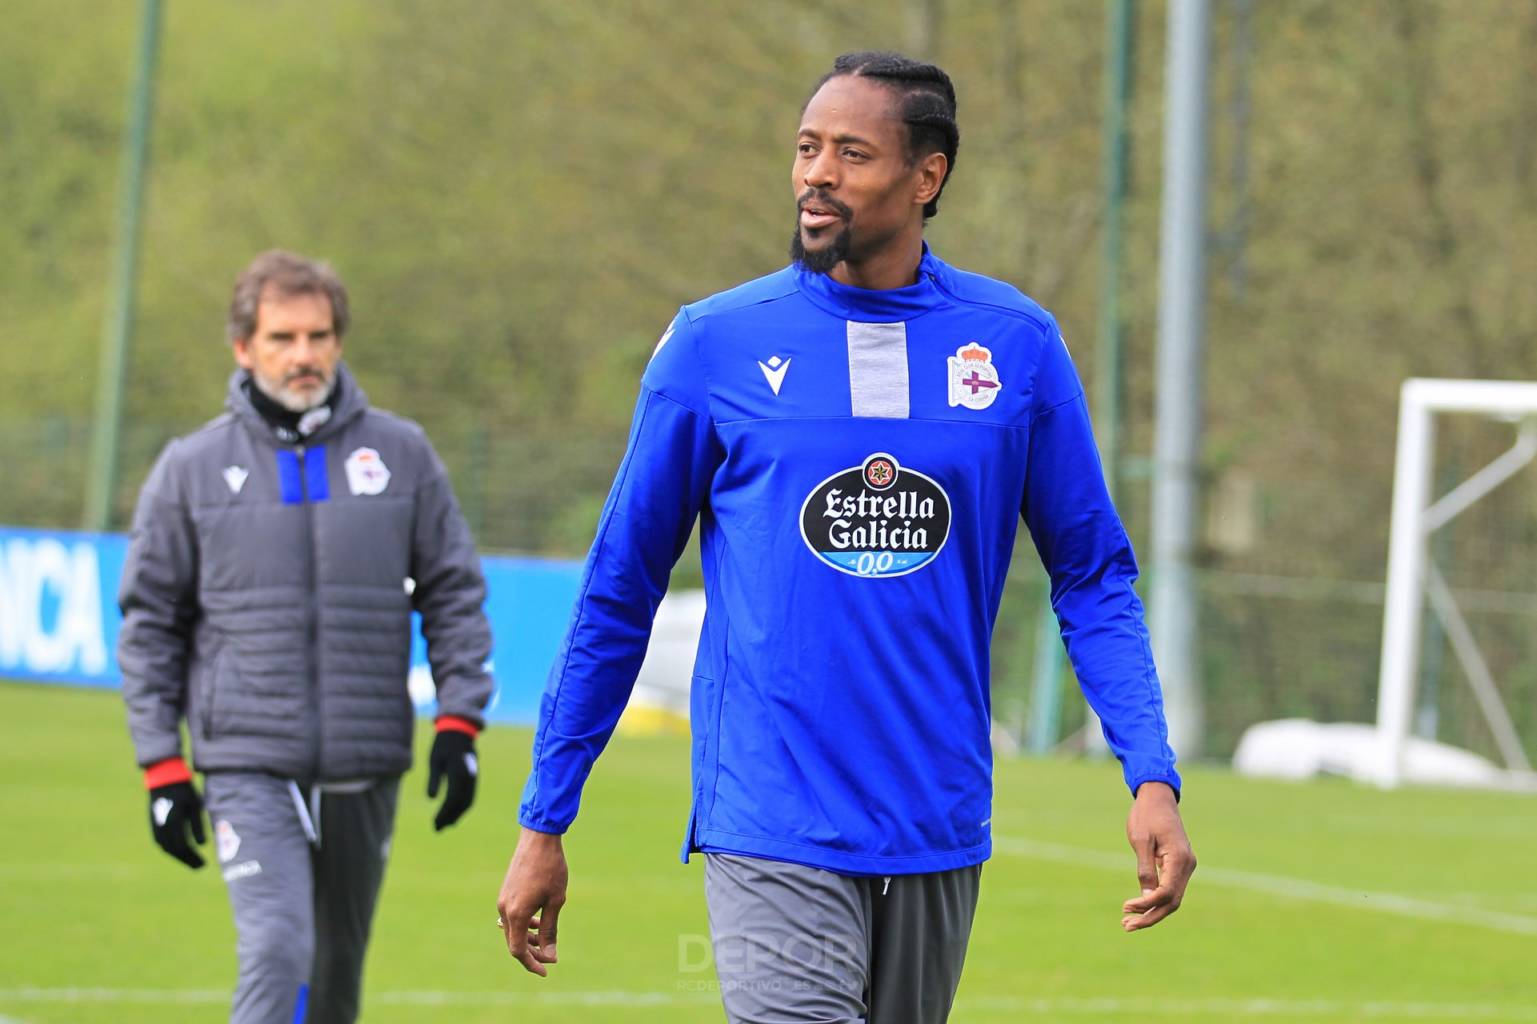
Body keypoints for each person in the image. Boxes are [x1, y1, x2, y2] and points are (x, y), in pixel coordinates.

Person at [496, 51, 1195, 1022]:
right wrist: (545, 812)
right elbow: (620, 586)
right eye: (805, 148)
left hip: (935, 821)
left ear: (926, 177)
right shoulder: (715, 345)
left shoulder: (1015, 346)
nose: (816, 173)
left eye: (850, 153)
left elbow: (1092, 576)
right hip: (770, 814)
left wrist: (1149, 771)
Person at [119, 250, 494, 1024]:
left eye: (319, 336)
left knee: (332, 984)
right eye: (283, 337)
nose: (304, 355)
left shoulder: (402, 456)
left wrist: (459, 724)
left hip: (366, 764)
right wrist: (161, 765)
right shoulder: (189, 470)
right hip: (246, 763)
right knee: (278, 950)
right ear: (243, 347)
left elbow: (453, 593)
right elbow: (150, 625)